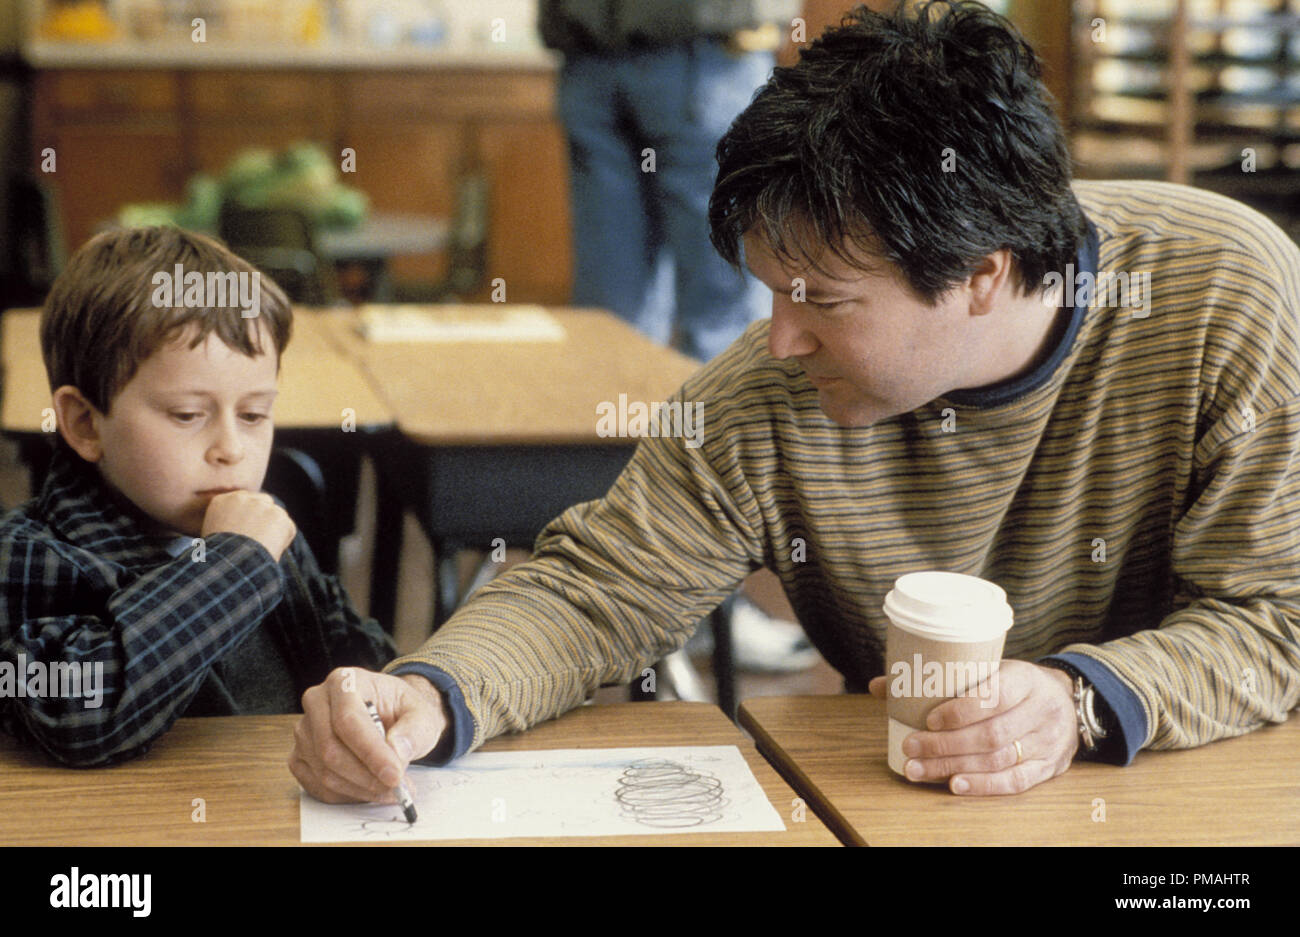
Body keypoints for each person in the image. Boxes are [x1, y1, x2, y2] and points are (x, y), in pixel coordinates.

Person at [289, 0, 1299, 803]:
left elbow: (1275, 618)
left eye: (820, 299)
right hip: (921, 811)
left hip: (1190, 803)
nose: (779, 338)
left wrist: (1079, 699)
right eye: (770, 290)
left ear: (981, 275)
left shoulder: (1224, 296)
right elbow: (596, 588)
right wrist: (428, 690)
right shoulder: (773, 391)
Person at [0, 226, 394, 767]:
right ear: (85, 423)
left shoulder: (266, 530)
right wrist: (236, 567)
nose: (231, 449)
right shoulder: (30, 556)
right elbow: (74, 713)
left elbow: (351, 654)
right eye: (188, 415)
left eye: (254, 415)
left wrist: (399, 693)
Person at [541, 0, 815, 673]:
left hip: (638, 48)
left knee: (660, 328)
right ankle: (647, 596)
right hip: (650, 48)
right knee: (666, 332)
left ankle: (669, 596)